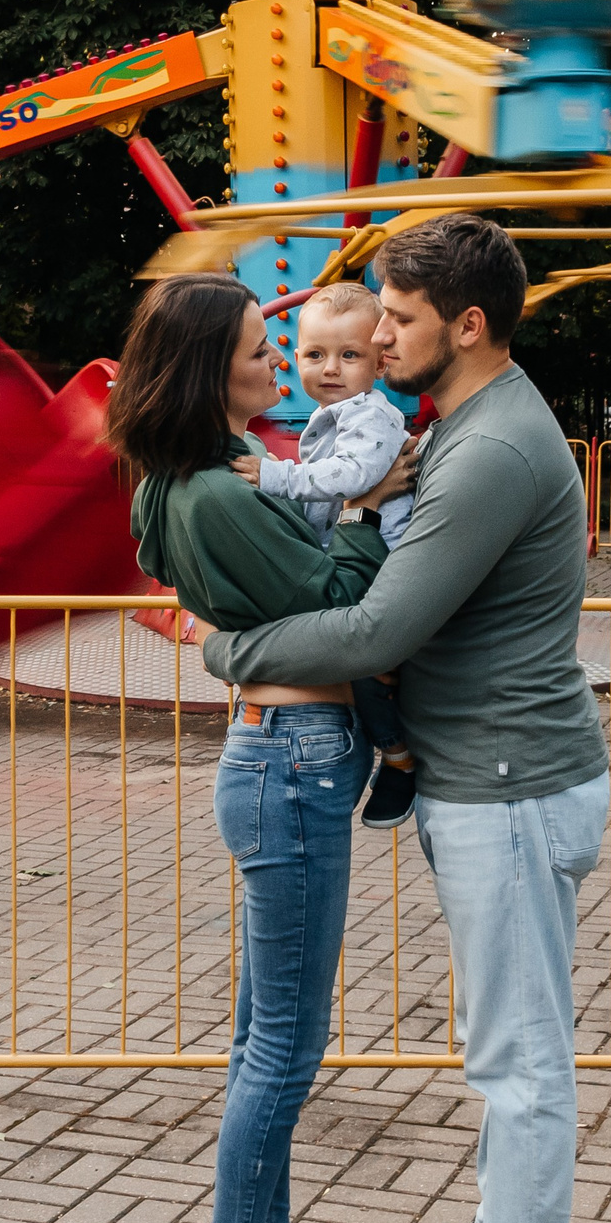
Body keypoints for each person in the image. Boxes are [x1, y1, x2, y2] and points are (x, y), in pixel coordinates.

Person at [201, 214, 609, 1223]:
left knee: (517, 1056)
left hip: (507, 782)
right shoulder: (467, 424)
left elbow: (382, 626)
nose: (376, 337)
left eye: (398, 318)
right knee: (502, 1039)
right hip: (490, 776)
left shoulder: (488, 451)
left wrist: (234, 650)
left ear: (465, 326)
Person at [107, 272, 415, 1223]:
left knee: (265, 1033)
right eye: (256, 349)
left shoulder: (183, 481)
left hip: (285, 749)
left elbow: (176, 574)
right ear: (206, 368)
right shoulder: (220, 492)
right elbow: (344, 607)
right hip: (296, 754)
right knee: (284, 1043)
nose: (277, 363)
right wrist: (370, 512)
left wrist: (238, 631)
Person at [228, 280, 422, 829]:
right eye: (315, 354)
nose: (330, 368)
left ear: (379, 363)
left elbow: (354, 476)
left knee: (367, 671)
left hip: (381, 558)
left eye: (349, 355)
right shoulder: (333, 416)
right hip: (355, 550)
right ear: (297, 359)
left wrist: (277, 476)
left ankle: (400, 756)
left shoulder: (369, 415)